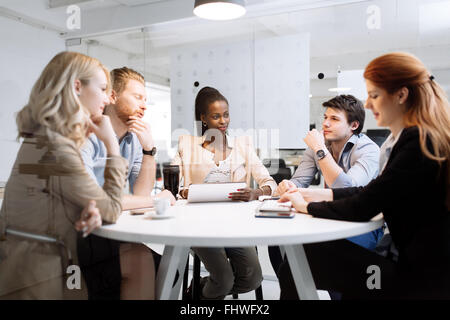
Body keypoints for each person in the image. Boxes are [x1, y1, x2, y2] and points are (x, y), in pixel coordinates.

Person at [277, 52, 450, 299]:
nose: (367, 104)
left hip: (416, 281)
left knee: (301, 261)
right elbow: (372, 191)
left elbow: (364, 205)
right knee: (306, 258)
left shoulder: (418, 142)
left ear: (401, 95)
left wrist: (307, 206)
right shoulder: (418, 137)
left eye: (374, 95)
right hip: (417, 268)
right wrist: (312, 193)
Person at [0, 51, 132, 299]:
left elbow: (52, 199)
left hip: (32, 269)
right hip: (41, 278)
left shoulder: (44, 137)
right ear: (76, 86)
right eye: (103, 88)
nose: (107, 98)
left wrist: (84, 209)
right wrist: (112, 145)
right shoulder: (57, 148)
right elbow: (113, 208)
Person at [172, 86, 277, 299]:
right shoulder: (187, 145)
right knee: (224, 278)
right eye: (216, 116)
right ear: (203, 118)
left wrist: (255, 193)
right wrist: (184, 191)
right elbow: (173, 186)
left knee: (253, 278)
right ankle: (210, 292)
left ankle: (199, 290)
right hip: (198, 225)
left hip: (234, 225)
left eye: (226, 115)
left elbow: (270, 183)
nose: (223, 121)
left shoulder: (243, 146)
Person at [79, 67, 175, 298]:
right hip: (80, 232)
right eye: (137, 97)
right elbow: (94, 201)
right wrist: (154, 201)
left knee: (170, 268)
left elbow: (139, 194)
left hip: (109, 228)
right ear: (112, 96)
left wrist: (149, 150)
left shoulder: (132, 140)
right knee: (145, 261)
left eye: (146, 100)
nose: (143, 105)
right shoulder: (86, 134)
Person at [270, 95, 382, 281]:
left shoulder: (368, 150)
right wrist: (288, 186)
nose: (325, 124)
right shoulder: (319, 145)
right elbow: (300, 181)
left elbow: (347, 190)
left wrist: (320, 150)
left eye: (334, 119)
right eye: (325, 117)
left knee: (324, 254)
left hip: (363, 223)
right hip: (332, 215)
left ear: (353, 126)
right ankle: (292, 286)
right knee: (278, 243)